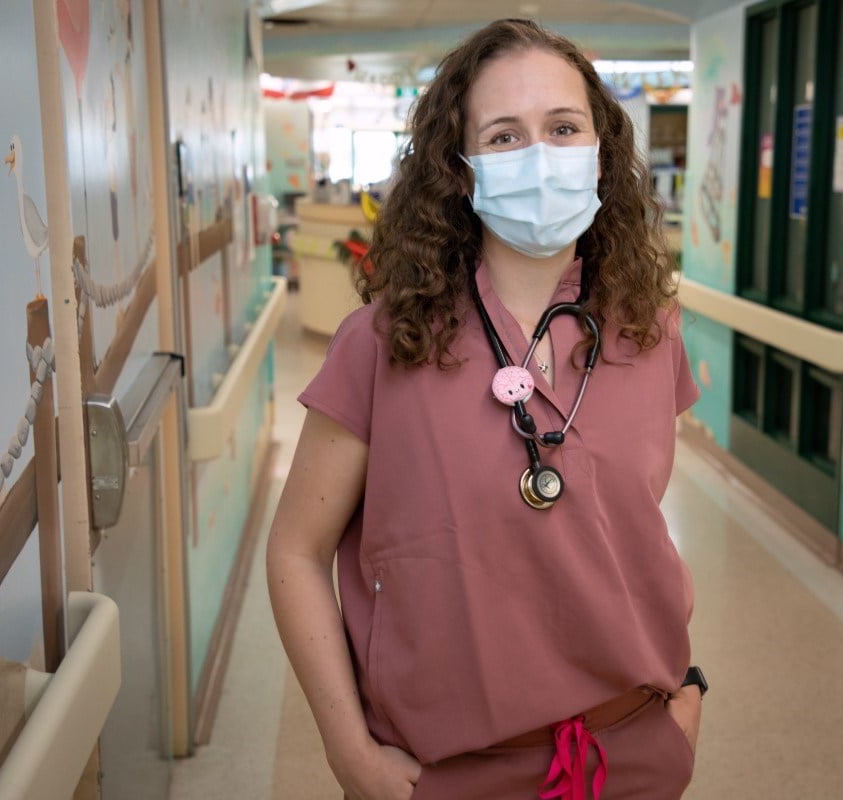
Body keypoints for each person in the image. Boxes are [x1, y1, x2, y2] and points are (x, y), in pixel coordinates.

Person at [268, 19, 702, 800]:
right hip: (444, 773)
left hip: (629, 755)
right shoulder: (382, 345)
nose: (540, 156)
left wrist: (684, 701)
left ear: (600, 151)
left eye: (563, 128)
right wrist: (347, 752)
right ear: (461, 170)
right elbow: (296, 553)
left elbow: (627, 535)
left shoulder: (649, 331)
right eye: (504, 137)